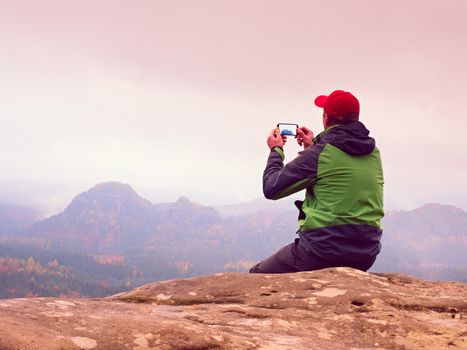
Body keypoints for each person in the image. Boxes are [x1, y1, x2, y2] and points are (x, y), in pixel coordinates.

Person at [249, 90, 384, 273]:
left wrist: (276, 150)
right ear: (356, 118)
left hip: (322, 252)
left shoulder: (321, 153)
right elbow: (337, 174)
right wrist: (312, 146)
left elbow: (271, 188)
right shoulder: (373, 152)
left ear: (326, 118)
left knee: (257, 275)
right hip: (366, 254)